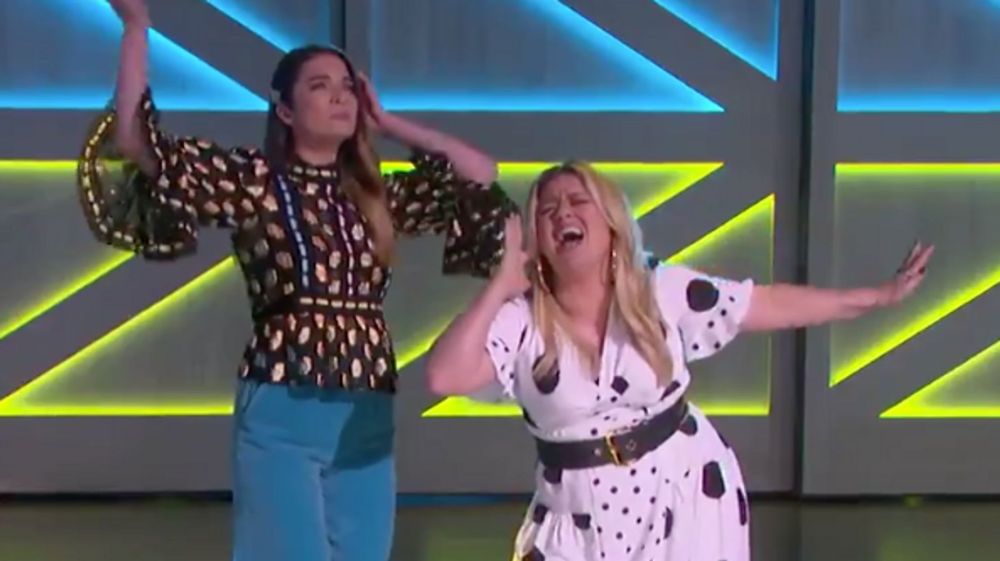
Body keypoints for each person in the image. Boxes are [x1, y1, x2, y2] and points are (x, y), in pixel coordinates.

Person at [76, 1, 517, 560]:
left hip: (366, 411)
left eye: (347, 88)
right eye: (319, 86)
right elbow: (138, 144)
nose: (339, 97)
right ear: (285, 110)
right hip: (284, 404)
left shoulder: (375, 195)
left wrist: (388, 123)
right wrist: (137, 30)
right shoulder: (256, 182)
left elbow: (479, 173)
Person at [425, 161, 933, 561]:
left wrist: (877, 297)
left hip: (682, 492)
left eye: (578, 201)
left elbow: (765, 304)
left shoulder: (657, 290)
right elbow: (444, 375)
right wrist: (499, 286)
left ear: (611, 223)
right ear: (536, 238)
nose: (563, 214)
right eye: (547, 210)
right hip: (574, 515)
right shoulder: (523, 319)